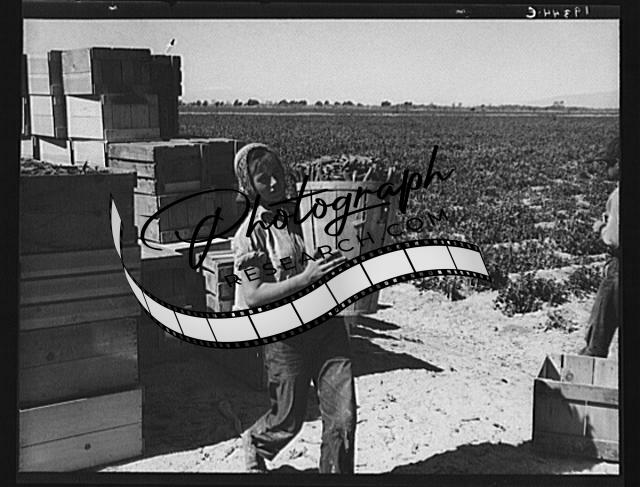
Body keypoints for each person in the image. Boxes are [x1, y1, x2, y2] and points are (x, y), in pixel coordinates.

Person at [232, 142, 357, 473]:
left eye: (277, 174)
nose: (274, 183)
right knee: (287, 420)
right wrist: (305, 278)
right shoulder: (250, 235)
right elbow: (253, 295)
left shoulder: (307, 212)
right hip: (286, 336)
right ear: (249, 186)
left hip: (327, 327)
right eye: (263, 179)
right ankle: (256, 442)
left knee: (343, 417)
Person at [580, 136, 620, 358]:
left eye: (607, 164)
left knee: (598, 336)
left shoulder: (619, 195)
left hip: (619, 268)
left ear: (619, 164)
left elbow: (615, 238)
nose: (604, 169)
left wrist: (601, 228)